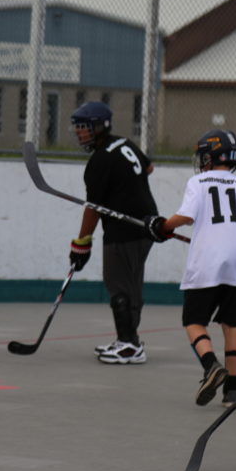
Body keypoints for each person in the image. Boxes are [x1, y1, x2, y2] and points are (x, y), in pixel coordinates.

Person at [145, 129, 236, 407]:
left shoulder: (199, 181)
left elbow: (185, 217)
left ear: (210, 156)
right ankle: (232, 391)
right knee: (231, 324)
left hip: (206, 264)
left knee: (193, 322)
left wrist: (162, 226)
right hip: (235, 266)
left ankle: (211, 366)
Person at [68, 101, 158, 365]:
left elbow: (93, 209)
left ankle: (129, 345)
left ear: (99, 127)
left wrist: (81, 243)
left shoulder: (99, 161)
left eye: (83, 128)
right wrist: (128, 186)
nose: (78, 133)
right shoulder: (123, 143)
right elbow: (148, 168)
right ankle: (128, 339)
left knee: (117, 284)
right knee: (131, 284)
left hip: (123, 230)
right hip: (146, 224)